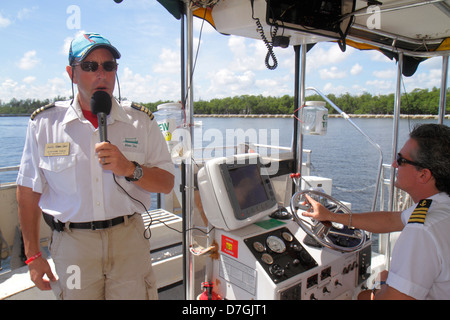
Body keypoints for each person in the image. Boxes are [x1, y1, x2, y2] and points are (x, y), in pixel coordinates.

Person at [16, 32, 175, 300]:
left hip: (128, 241)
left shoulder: (141, 121)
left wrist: (130, 169)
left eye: (108, 66)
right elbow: (27, 191)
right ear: (72, 73)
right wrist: (33, 256)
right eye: (90, 66)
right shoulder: (44, 125)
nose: (101, 73)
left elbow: (167, 183)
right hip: (74, 245)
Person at [303, 123, 450, 300]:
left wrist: (373, 290)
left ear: (423, 175)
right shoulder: (439, 207)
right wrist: (330, 216)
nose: (395, 164)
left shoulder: (421, 230)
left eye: (401, 160)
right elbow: (391, 220)